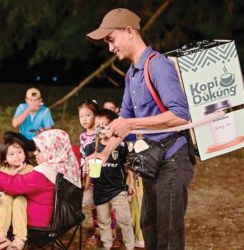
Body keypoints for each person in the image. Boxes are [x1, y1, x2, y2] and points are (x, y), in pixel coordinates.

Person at [86, 8, 195, 250]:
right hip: (152, 160)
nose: (110, 48)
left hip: (173, 159)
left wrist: (132, 124)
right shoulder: (131, 75)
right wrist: (104, 154)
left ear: (129, 31)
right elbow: (124, 121)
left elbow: (180, 115)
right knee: (149, 227)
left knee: (169, 234)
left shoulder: (158, 66)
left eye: (111, 40)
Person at [0, 129, 81, 250]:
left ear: (51, 149)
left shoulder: (45, 172)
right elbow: (76, 148)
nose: (34, 153)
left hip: (47, 218)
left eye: (40, 149)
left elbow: (14, 185)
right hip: (68, 213)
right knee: (9, 200)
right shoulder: (68, 160)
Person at [85, 109, 135, 250]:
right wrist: (87, 184)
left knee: (125, 220)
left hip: (118, 189)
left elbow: (128, 165)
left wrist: (131, 183)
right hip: (100, 190)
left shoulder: (120, 146)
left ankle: (130, 246)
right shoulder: (91, 147)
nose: (100, 129)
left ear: (112, 126)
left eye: (104, 125)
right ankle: (107, 244)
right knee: (103, 221)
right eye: (97, 125)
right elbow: (89, 169)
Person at [78, 100, 119, 248]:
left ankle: (112, 233)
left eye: (88, 115)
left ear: (96, 117)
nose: (84, 119)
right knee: (95, 205)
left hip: (106, 173)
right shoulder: (82, 137)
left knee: (110, 205)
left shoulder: (100, 134)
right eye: (81, 116)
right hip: (90, 175)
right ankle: (98, 230)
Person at [0, 132, 34, 250]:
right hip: (7, 195)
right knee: (5, 200)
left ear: (25, 154)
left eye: (20, 152)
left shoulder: (29, 169)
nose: (17, 156)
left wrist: (18, 173)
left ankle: (20, 238)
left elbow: (29, 185)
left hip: (23, 196)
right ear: (5, 159)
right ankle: (1, 236)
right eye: (12, 154)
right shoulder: (3, 171)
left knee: (19, 201)